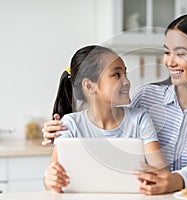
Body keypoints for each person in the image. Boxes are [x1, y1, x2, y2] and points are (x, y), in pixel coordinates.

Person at [42, 13, 187, 195]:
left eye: (181, 53)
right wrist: (59, 131)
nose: (170, 61)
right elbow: (104, 117)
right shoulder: (147, 97)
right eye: (167, 52)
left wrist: (175, 181)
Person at [43, 45, 168, 193]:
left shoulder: (140, 119)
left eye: (125, 73)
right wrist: (50, 179)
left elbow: (162, 171)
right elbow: (51, 179)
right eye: (116, 75)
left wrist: (154, 176)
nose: (127, 81)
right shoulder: (70, 125)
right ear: (89, 86)